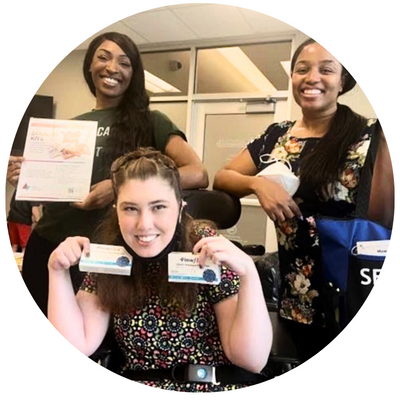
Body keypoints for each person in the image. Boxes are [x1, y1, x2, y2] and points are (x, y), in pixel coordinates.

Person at [213, 38, 394, 362]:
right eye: (302, 69)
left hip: (357, 286)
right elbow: (223, 177)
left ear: (343, 81)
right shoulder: (278, 135)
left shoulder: (371, 135)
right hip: (296, 293)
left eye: (326, 69)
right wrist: (258, 184)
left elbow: (384, 217)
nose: (312, 77)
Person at [47, 148, 272, 392]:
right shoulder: (110, 256)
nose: (144, 224)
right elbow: (75, 345)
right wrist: (56, 271)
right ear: (116, 209)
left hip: (210, 386)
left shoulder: (204, 247)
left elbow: (251, 359)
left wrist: (248, 274)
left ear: (179, 207)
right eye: (130, 208)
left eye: (158, 207)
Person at [18, 32, 209, 316]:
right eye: (103, 57)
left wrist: (118, 186)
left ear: (134, 74)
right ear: (89, 66)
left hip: (107, 254)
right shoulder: (69, 127)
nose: (112, 68)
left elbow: (198, 173)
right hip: (50, 243)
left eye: (124, 62)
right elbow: (55, 186)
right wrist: (28, 179)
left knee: (90, 343)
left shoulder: (151, 121)